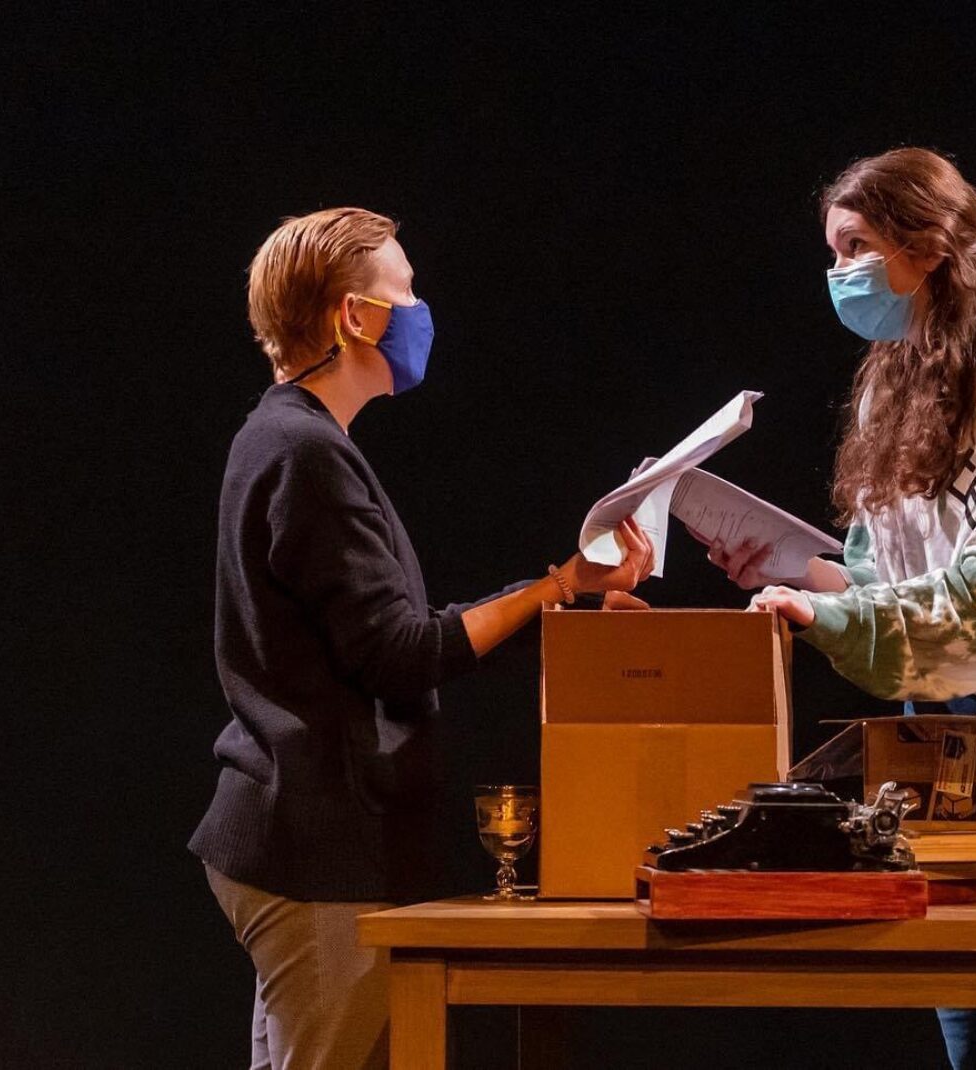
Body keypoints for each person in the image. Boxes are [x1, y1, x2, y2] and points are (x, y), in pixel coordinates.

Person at [698, 149, 976, 1070]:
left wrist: (833, 620)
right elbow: (882, 578)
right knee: (966, 1029)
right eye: (831, 254)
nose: (840, 276)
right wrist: (794, 578)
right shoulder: (893, 376)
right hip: (939, 714)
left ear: (930, 244)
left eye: (856, 247)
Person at [188, 207, 654, 1070]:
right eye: (405, 292)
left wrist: (566, 590)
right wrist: (556, 586)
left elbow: (393, 637)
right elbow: (400, 654)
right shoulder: (304, 453)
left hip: (304, 835)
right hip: (315, 845)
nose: (420, 310)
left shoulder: (292, 438)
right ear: (353, 316)